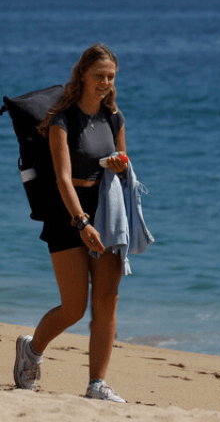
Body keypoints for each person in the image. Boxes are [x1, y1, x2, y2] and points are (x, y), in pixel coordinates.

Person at [12, 43, 130, 402]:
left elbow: (124, 162)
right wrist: (81, 223)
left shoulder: (114, 118)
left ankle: (97, 384)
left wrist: (120, 166)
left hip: (105, 211)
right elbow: (63, 177)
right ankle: (32, 350)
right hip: (68, 214)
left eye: (110, 77)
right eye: (99, 76)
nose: (105, 83)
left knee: (107, 298)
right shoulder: (62, 120)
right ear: (82, 75)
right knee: (75, 307)